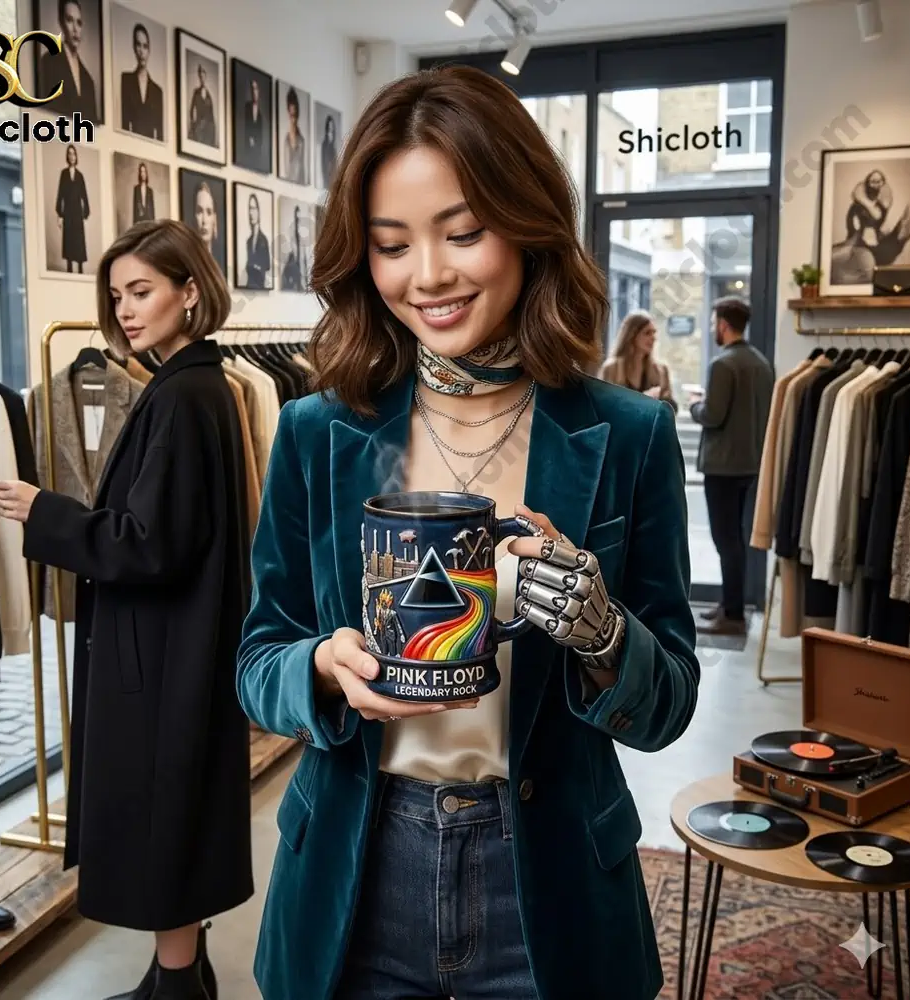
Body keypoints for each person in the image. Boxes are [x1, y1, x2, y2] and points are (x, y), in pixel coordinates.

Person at [236, 65, 699, 1000]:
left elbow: (671, 704)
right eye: (391, 244)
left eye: (464, 232)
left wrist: (601, 630)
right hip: (359, 871)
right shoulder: (319, 431)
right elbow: (257, 659)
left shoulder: (629, 434)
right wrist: (322, 669)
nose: (429, 276)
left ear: (527, 227)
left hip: (549, 877)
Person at [0, 220, 252, 1000]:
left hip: (163, 651)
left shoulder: (183, 396)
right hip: (178, 645)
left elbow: (149, 544)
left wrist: (48, 513)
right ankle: (181, 973)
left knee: (162, 815)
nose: (126, 311)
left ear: (190, 291)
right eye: (117, 295)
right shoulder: (196, 387)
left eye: (142, 291)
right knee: (177, 808)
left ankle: (175, 988)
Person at [688, 296, 774, 635]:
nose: (713, 329)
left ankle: (733, 614)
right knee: (735, 539)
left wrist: (696, 404)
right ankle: (730, 605)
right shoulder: (761, 363)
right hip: (750, 464)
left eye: (713, 323)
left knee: (726, 541)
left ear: (723, 324)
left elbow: (712, 415)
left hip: (723, 466)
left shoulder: (722, 364)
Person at [599, 310, 677, 411]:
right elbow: (604, 408)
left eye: (654, 332)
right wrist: (643, 399)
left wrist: (663, 401)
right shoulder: (611, 368)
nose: (653, 338)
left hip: (650, 426)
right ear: (632, 335)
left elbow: (672, 409)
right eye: (647, 333)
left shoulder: (661, 370)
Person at [39, 0, 98, 122]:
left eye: (79, 22)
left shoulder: (89, 81)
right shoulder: (48, 62)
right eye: (70, 20)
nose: (75, 29)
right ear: (61, 23)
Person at [120, 22, 164, 141]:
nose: (141, 51)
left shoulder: (157, 91)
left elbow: (160, 134)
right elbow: (124, 123)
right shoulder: (125, 80)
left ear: (149, 50)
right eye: (138, 45)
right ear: (134, 48)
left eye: (145, 46)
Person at [55, 144, 89, 273]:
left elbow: (84, 195)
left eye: (73, 154)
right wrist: (60, 214)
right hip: (68, 212)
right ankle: (69, 268)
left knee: (78, 240)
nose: (72, 156)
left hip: (77, 213)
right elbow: (60, 194)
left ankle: (80, 269)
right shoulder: (64, 174)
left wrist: (85, 213)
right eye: (69, 154)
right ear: (67, 157)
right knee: (69, 240)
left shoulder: (80, 176)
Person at [242, 192, 270, 289]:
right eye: (249, 209)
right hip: (249, 285)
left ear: (258, 212)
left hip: (259, 285)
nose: (251, 213)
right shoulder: (249, 241)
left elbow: (267, 265)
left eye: (253, 209)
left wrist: (254, 266)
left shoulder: (263, 240)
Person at [281, 86, 306, 184]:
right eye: (291, 115)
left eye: (295, 115)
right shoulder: (285, 140)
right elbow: (286, 170)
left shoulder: (302, 140)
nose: (293, 119)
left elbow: (302, 168)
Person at [188, 65, 216, 146]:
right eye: (200, 77)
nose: (202, 78)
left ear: (205, 77)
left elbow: (211, 113)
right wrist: (193, 123)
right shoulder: (196, 92)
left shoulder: (209, 95)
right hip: (198, 126)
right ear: (199, 78)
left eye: (203, 76)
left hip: (207, 128)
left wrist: (212, 128)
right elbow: (191, 109)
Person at [132, 161, 155, 225]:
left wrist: (154, 225)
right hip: (139, 220)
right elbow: (134, 209)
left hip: (149, 220)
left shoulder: (150, 190)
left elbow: (152, 210)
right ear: (139, 173)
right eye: (141, 171)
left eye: (144, 171)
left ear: (146, 173)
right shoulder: (136, 189)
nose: (143, 174)